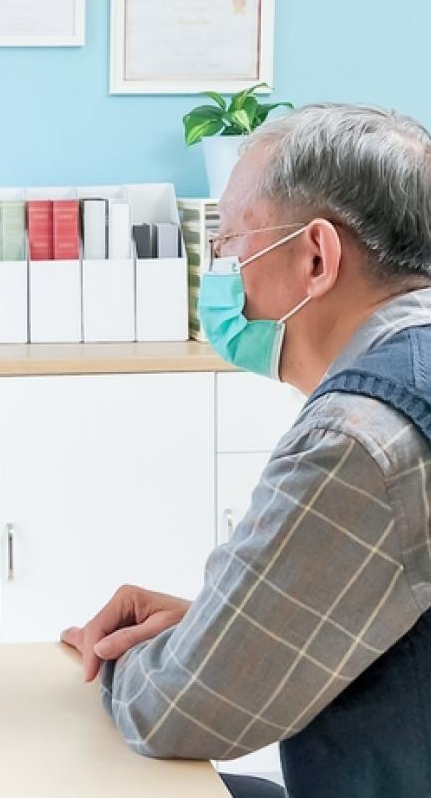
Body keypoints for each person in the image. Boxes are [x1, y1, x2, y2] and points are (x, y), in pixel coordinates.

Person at [62, 104, 431, 798]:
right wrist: (218, 626)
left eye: (231, 244)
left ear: (316, 258)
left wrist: (140, 655)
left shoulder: (358, 436)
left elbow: (178, 709)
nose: (222, 277)